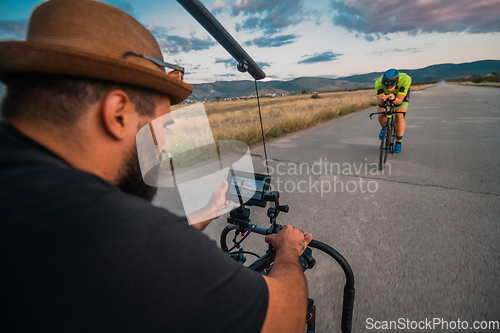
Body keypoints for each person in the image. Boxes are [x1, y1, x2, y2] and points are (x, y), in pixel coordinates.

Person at [0, 1, 312, 332]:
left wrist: (200, 217)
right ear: (118, 114)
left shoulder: (25, 193)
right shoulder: (111, 232)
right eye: (164, 125)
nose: (164, 146)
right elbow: (285, 319)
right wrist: (288, 252)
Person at [374, 69, 412, 153]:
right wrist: (383, 100)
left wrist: (394, 98)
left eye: (391, 86)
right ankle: (384, 128)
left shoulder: (405, 79)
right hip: (386, 96)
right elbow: (380, 104)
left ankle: (398, 142)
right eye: (386, 86)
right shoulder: (378, 82)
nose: (388, 88)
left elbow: (398, 102)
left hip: (399, 95)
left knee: (399, 115)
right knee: (381, 113)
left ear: (396, 82)